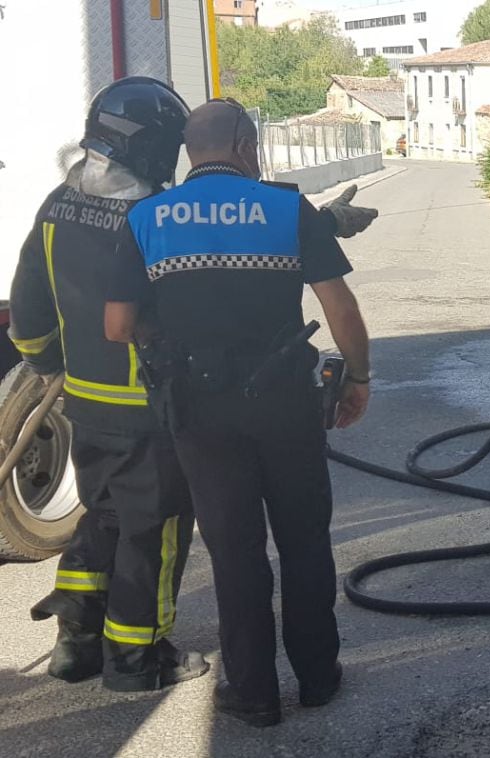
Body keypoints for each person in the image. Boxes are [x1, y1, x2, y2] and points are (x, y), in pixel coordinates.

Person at [105, 99, 372, 727]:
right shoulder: (286, 207)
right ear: (248, 147)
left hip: (199, 409)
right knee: (304, 540)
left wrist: (166, 339)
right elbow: (342, 308)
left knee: (235, 551)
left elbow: (117, 325)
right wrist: (357, 378)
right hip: (285, 401)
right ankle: (317, 677)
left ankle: (251, 691)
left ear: (190, 153)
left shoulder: (146, 217)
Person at [8, 76, 209, 691]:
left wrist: (46, 363)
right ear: (151, 145)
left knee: (103, 517)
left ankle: (76, 642)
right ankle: (136, 658)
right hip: (149, 409)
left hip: (83, 407)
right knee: (157, 530)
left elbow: (27, 309)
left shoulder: (55, 206)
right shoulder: (156, 215)